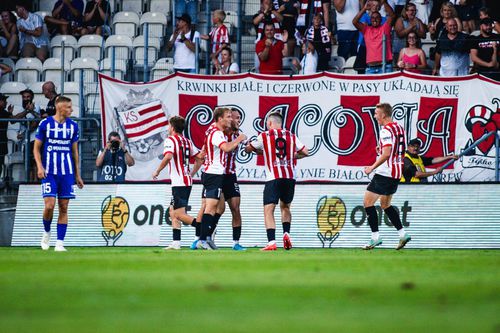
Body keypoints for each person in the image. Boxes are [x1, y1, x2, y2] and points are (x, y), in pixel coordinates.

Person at [245, 112, 309, 251]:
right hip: (290, 176)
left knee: (269, 209)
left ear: (269, 123)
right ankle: (286, 233)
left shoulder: (264, 136)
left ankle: (272, 242)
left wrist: (248, 146)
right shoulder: (291, 136)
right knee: (285, 207)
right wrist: (292, 156)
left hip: (273, 177)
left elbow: (249, 149)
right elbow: (306, 152)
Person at [34, 96, 84, 252]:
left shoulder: (73, 126)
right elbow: (36, 148)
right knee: (49, 206)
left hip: (67, 173)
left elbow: (75, 152)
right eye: (69, 107)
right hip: (49, 172)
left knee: (63, 207)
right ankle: (46, 232)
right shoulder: (45, 124)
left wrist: (77, 175)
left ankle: (60, 243)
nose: (71, 110)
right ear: (60, 107)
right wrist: (39, 167)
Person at [362, 103, 411, 250]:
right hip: (397, 172)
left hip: (385, 172)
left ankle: (374, 238)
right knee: (385, 205)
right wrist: (381, 147)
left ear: (383, 115)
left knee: (367, 203)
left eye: (376, 113)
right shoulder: (399, 127)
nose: (375, 116)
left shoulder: (385, 130)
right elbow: (397, 147)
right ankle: (403, 234)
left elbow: (387, 153)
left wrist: (372, 167)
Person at [197, 107, 246, 250]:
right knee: (211, 207)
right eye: (230, 117)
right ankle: (201, 238)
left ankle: (210, 239)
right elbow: (224, 148)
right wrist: (239, 139)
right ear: (221, 119)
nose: (233, 120)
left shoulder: (217, 131)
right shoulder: (217, 133)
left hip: (226, 174)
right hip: (214, 174)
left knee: (230, 208)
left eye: (235, 117)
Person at [152, 116, 204, 250]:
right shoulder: (187, 142)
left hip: (179, 183)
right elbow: (200, 159)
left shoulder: (170, 140)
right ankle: (176, 242)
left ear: (173, 128)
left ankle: (204, 230)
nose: (168, 128)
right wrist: (191, 173)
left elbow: (168, 156)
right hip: (185, 181)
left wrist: (157, 171)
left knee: (179, 214)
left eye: (169, 126)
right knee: (172, 211)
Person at [353, 0, 396, 74]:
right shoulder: (366, 29)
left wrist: (385, 2)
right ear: (370, 19)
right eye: (372, 18)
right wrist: (364, 9)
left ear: (381, 19)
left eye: (377, 18)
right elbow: (354, 22)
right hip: (370, 68)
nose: (375, 19)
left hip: (385, 67)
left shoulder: (385, 28)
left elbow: (392, 16)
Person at [16, 89, 41, 182]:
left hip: (34, 138)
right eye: (24, 97)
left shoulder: (36, 107)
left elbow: (35, 123)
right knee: (28, 162)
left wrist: (24, 133)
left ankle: (35, 181)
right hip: (25, 141)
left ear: (32, 98)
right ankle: (30, 181)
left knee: (34, 161)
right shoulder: (20, 108)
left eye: (28, 97)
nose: (26, 99)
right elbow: (14, 119)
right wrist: (26, 111)